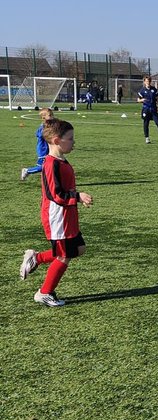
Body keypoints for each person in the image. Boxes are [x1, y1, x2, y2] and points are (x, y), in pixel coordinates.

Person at [19, 118, 92, 307]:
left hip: (68, 214)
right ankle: (44, 292)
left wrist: (77, 198)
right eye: (70, 138)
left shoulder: (61, 160)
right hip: (57, 217)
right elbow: (55, 195)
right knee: (64, 255)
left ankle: (36, 258)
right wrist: (77, 196)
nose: (74, 142)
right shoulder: (51, 164)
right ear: (57, 140)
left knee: (78, 249)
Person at [20, 108, 53, 181]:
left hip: (48, 148)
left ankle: (46, 175)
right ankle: (27, 171)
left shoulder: (49, 125)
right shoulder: (43, 127)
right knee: (43, 166)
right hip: (43, 149)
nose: (52, 117)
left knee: (49, 164)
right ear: (43, 117)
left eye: (52, 115)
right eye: (50, 115)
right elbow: (39, 134)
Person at [138, 76, 158, 144]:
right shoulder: (142, 90)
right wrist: (142, 100)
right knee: (146, 123)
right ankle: (147, 138)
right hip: (146, 109)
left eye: (149, 81)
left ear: (150, 82)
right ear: (144, 82)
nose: (148, 82)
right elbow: (138, 100)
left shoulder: (154, 89)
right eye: (146, 81)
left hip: (153, 109)